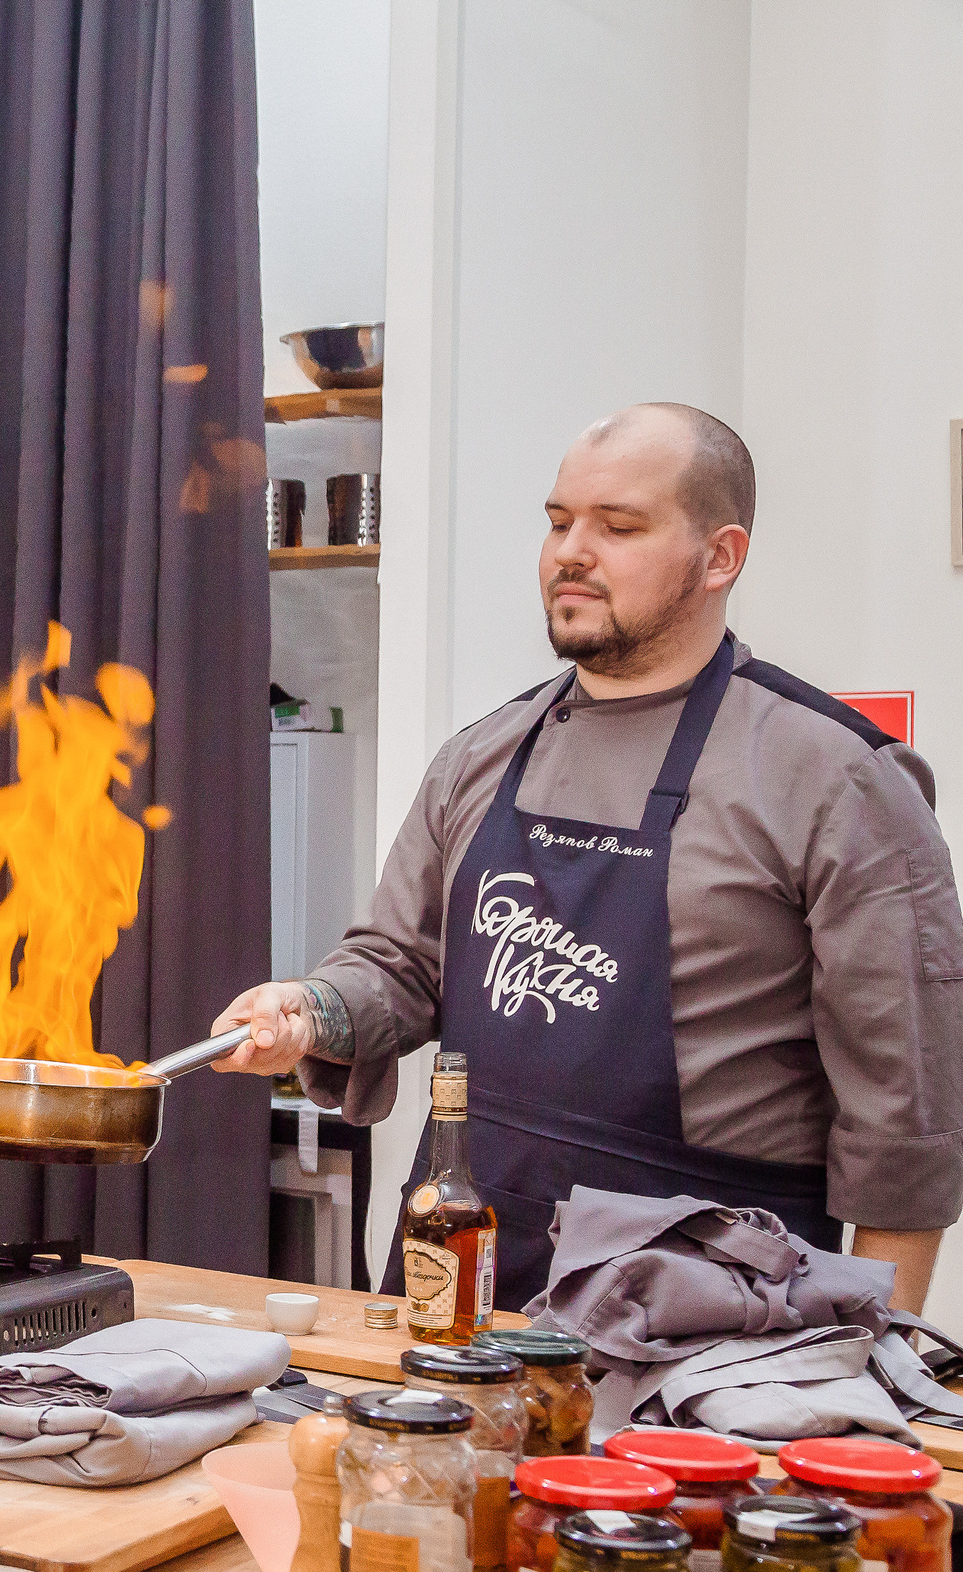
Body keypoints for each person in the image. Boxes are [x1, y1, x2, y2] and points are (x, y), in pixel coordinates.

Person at [212, 403, 963, 1313]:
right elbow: (401, 966)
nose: (571, 550)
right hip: (467, 1283)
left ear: (721, 556)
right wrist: (313, 1009)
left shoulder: (837, 778)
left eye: (620, 526)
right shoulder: (482, 755)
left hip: (710, 1320)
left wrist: (869, 1364)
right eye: (560, 520)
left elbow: (906, 1124)